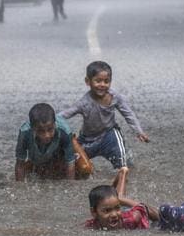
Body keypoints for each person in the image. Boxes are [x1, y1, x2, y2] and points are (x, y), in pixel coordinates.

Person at [59, 61, 149, 195]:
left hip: (109, 135)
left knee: (123, 165)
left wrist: (138, 131)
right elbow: (65, 114)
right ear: (88, 81)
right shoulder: (84, 103)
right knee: (78, 168)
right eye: (98, 81)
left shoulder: (115, 97)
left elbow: (128, 113)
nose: (102, 85)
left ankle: (123, 184)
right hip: (87, 139)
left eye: (106, 81)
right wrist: (50, 120)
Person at [15, 103, 75, 181]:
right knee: (39, 175)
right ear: (32, 128)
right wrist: (20, 189)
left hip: (60, 152)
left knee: (85, 168)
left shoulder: (64, 131)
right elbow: (20, 164)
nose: (46, 135)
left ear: (54, 124)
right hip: (39, 157)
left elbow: (70, 164)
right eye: (41, 131)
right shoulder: (25, 133)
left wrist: (69, 188)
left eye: (50, 129)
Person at [85, 184, 159, 230]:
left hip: (133, 210)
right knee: (115, 198)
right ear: (94, 212)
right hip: (120, 207)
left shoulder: (132, 219)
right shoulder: (91, 225)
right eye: (107, 210)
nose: (114, 215)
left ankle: (121, 198)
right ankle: (122, 174)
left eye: (117, 208)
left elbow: (144, 208)